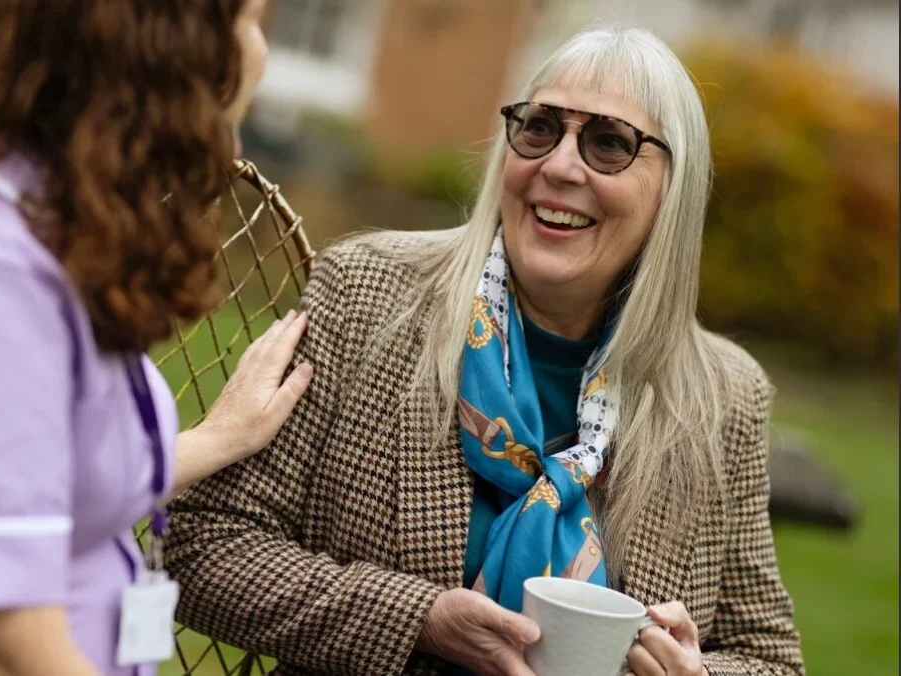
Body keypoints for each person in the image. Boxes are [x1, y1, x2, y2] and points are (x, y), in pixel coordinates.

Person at [165, 26, 805, 676]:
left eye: (609, 143)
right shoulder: (368, 296)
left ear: (675, 187)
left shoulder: (723, 396)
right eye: (540, 128)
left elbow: (770, 658)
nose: (559, 164)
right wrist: (419, 619)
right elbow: (203, 544)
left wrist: (693, 673)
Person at [0, 1, 312, 674]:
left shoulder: (50, 231)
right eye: (253, 20)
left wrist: (217, 440)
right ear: (169, 46)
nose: (260, 53)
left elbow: (49, 477)